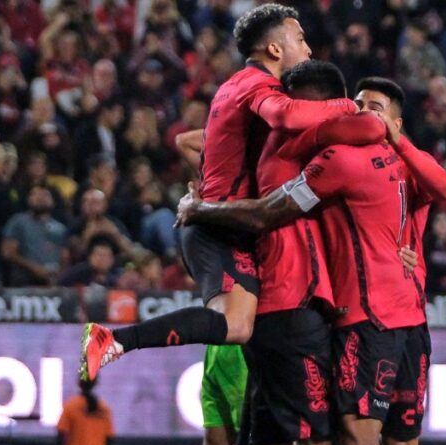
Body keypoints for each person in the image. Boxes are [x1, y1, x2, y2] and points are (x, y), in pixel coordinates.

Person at [176, 77, 446, 445]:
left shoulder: (345, 162)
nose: (361, 112)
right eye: (358, 104)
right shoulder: (396, 165)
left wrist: (201, 208)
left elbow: (266, 212)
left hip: (371, 322)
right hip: (381, 318)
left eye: (373, 108)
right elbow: (440, 188)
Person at [79, 3, 357, 384]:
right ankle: (114, 340)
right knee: (238, 326)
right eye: (300, 38)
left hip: (217, 222)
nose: (308, 49)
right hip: (219, 229)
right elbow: (286, 116)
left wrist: (209, 185)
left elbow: (190, 141)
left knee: (246, 334)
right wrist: (349, 107)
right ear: (274, 49)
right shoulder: (258, 86)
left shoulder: (234, 87)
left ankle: (244, 443)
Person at [56, 379, 114, 445]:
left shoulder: (70, 406)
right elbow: (109, 438)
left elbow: (62, 434)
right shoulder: (104, 409)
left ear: (79, 383)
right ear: (96, 383)